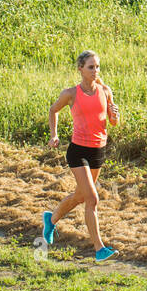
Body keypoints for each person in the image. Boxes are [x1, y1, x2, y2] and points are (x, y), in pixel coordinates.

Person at [42, 50, 119, 261]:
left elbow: (112, 122)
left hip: (98, 151)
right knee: (92, 199)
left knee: (80, 196)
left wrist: (115, 116)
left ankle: (51, 219)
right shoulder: (71, 93)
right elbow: (53, 110)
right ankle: (99, 249)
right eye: (90, 67)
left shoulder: (105, 91)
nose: (95, 71)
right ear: (80, 70)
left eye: (97, 67)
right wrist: (54, 134)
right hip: (78, 152)